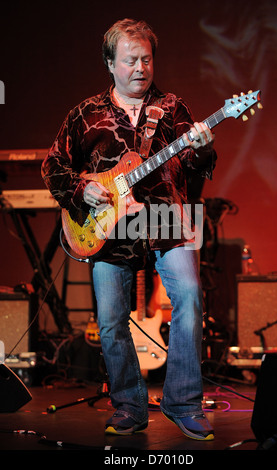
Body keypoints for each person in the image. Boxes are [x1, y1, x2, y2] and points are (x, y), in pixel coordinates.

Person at [41, 18, 217, 441]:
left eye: (146, 59)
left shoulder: (173, 108)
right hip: (107, 227)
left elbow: (197, 167)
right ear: (110, 63)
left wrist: (203, 146)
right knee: (110, 321)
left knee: (190, 299)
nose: (140, 67)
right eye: (130, 60)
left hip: (165, 217)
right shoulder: (85, 114)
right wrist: (82, 191)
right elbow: (53, 167)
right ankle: (128, 407)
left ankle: (184, 403)